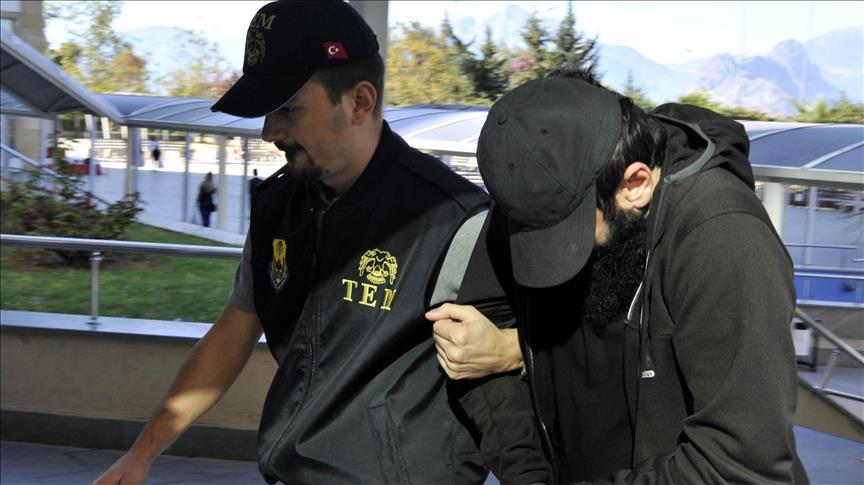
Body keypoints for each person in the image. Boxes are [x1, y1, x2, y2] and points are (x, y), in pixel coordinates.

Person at [94, 2, 548, 484]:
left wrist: (513, 348)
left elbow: (538, 354)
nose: (270, 132)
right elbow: (233, 332)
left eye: (288, 109)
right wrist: (141, 454)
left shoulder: (455, 218)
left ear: (360, 102)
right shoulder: (277, 206)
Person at [428, 67, 809, 484]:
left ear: (635, 183)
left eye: (569, 236)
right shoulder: (540, 190)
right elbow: (479, 349)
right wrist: (527, 474)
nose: (550, 255)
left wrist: (517, 350)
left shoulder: (723, 237)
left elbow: (742, 464)